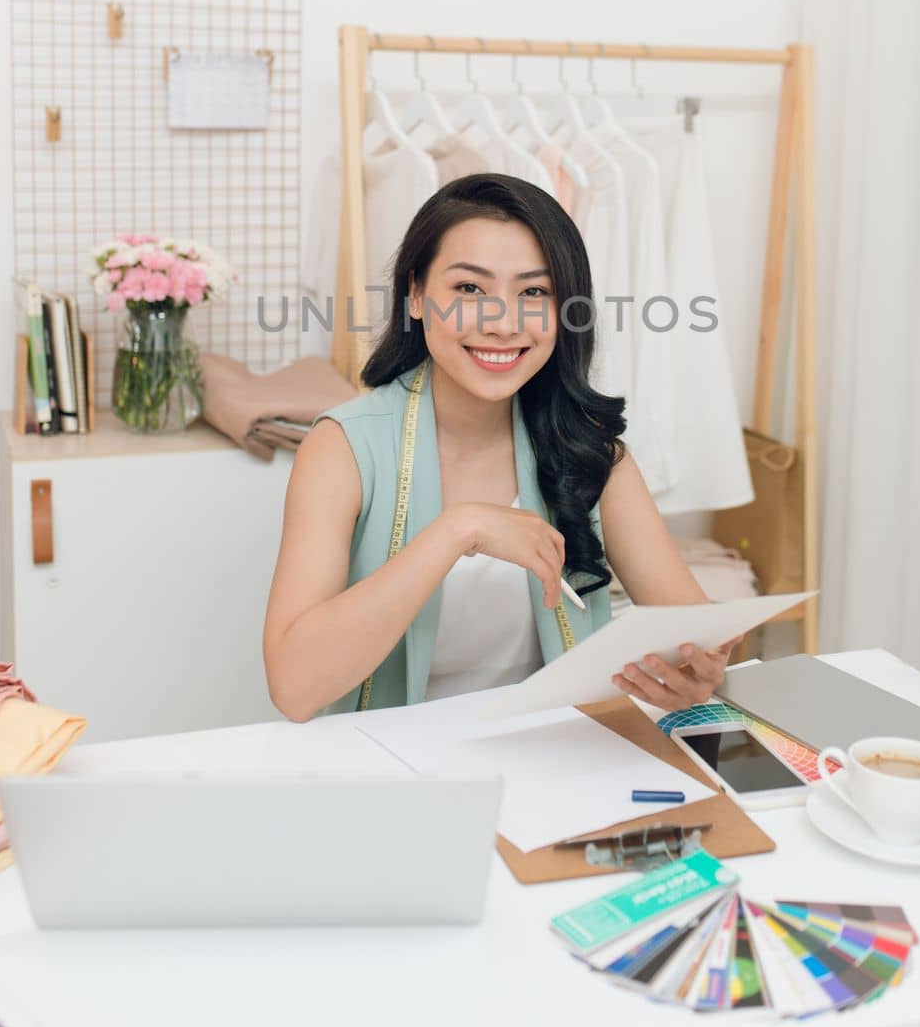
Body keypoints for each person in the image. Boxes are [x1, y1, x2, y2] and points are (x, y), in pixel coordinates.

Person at [264, 173, 739, 720]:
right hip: (394, 769)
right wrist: (458, 530)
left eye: (534, 292)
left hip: (552, 760)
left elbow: (695, 634)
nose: (503, 323)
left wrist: (697, 674)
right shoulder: (344, 447)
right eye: (469, 289)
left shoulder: (587, 450)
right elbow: (294, 690)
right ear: (416, 295)